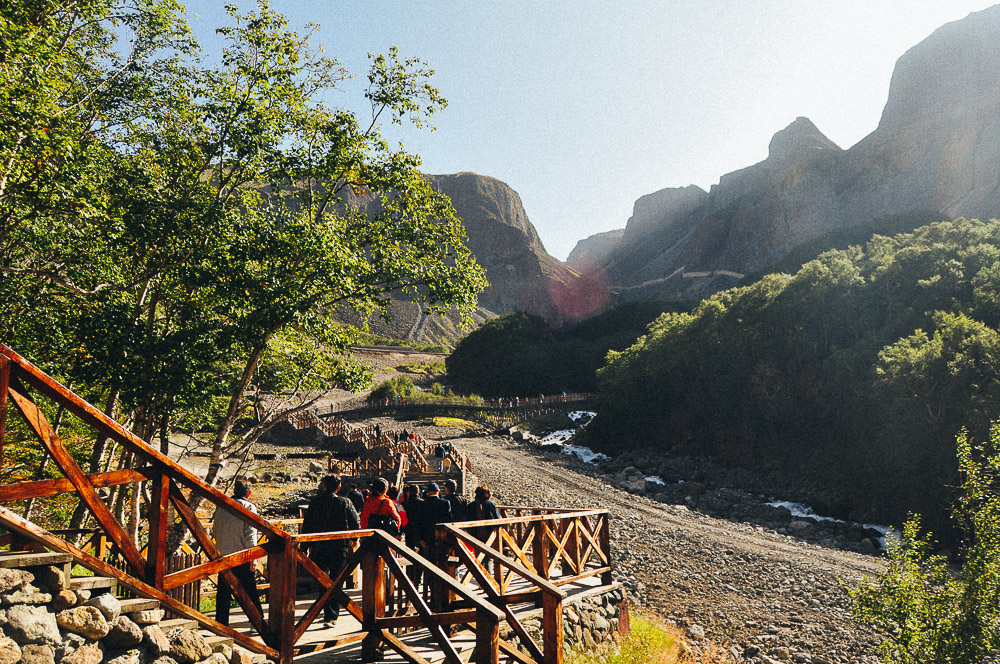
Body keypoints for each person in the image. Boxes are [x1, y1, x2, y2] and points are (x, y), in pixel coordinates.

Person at [301, 475, 360, 627]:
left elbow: (307, 525)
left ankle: (325, 610)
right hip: (339, 546)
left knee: (322, 578)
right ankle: (331, 615)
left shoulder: (315, 503)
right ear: (338, 488)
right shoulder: (345, 502)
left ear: (324, 486)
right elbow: (355, 522)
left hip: (319, 546)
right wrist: (355, 538)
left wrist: (303, 547)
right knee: (336, 580)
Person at [212, 479, 264, 628]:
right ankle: (258, 622)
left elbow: (215, 530)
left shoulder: (221, 506)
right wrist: (253, 556)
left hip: (223, 554)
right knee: (249, 590)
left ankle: (221, 624)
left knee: (223, 591)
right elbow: (250, 533)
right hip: (242, 554)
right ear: (249, 493)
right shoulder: (248, 507)